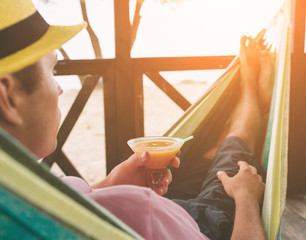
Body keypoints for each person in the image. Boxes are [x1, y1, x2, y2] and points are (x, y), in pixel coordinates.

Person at [0, 0, 273, 239]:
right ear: (9, 98)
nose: (59, 88)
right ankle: (250, 92)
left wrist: (107, 186)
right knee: (233, 151)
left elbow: (64, 207)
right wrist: (247, 199)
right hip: (206, 226)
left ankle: (244, 103)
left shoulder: (13, 196)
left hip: (170, 212)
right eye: (53, 70)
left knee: (211, 153)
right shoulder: (145, 211)